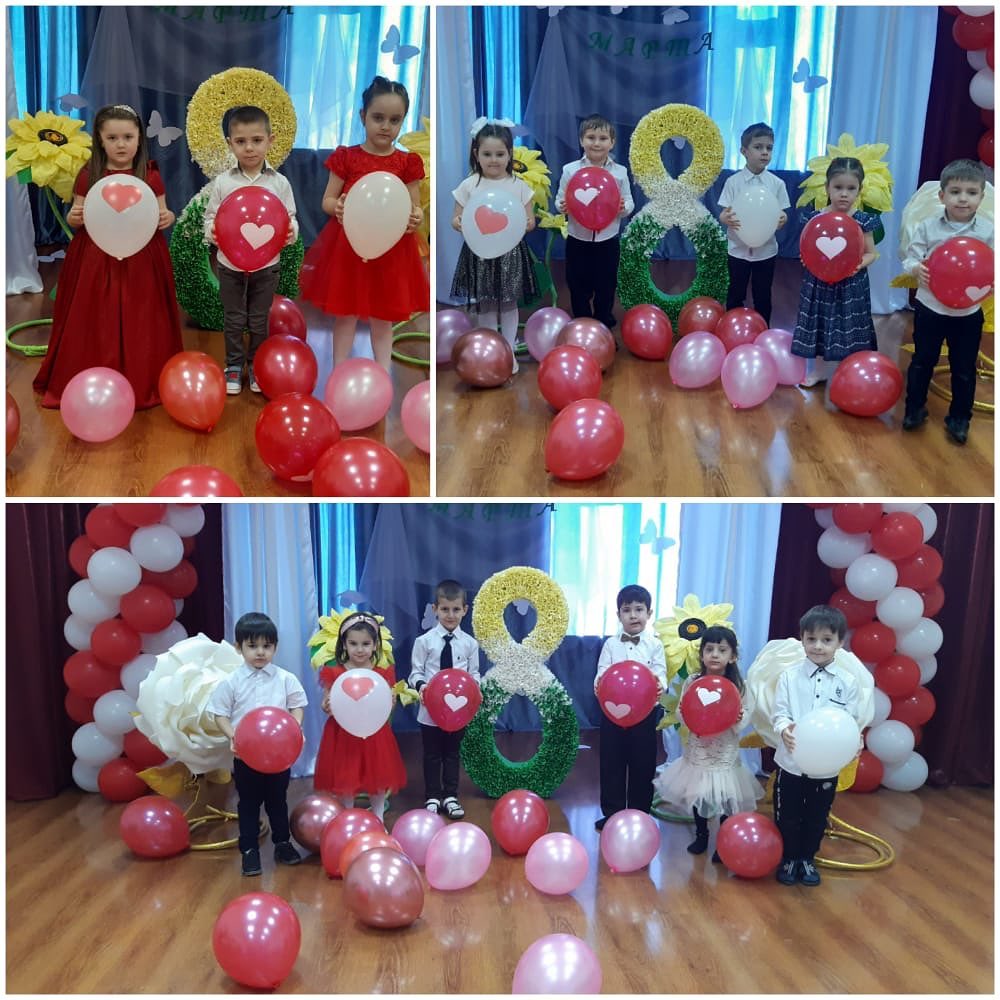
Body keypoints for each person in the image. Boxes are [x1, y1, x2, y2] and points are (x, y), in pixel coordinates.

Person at [33, 103, 183, 409]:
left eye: (128, 137)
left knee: (141, 311)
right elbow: (77, 215)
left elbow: (162, 213)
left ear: (139, 139)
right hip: (96, 255)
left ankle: (142, 375)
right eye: (112, 138)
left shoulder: (150, 175)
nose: (121, 144)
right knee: (95, 313)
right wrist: (74, 216)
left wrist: (168, 217)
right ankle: (92, 372)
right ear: (100, 140)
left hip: (142, 256)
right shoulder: (88, 175)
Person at [300, 76, 427, 371]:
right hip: (350, 247)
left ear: (403, 120)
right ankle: (339, 369)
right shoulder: (347, 157)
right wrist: (337, 207)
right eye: (378, 118)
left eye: (394, 120)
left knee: (383, 317)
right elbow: (328, 200)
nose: (386, 126)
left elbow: (415, 206)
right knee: (346, 314)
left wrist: (417, 216)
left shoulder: (407, 163)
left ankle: (382, 372)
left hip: (392, 250)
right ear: (363, 116)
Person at [203, 105, 298, 395]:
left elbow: (289, 217)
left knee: (258, 318)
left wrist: (291, 232)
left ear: (270, 140)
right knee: (233, 317)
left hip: (267, 264)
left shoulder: (279, 183)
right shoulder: (224, 182)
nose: (249, 148)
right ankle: (233, 365)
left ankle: (257, 363)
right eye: (241, 141)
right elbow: (210, 218)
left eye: (257, 140)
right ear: (230, 144)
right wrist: (212, 231)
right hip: (229, 264)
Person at [900, 158, 994, 445]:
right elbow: (909, 258)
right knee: (922, 361)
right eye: (955, 192)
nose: (963, 198)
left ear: (981, 197)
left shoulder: (988, 231)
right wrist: (916, 268)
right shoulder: (928, 227)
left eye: (971, 192)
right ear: (942, 196)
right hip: (931, 308)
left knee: (964, 368)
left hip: (968, 313)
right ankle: (915, 409)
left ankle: (959, 418)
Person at [206, 612, 308, 876]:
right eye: (252, 646)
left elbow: (297, 705)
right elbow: (219, 714)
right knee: (249, 803)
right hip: (246, 757)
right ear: (238, 647)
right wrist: (232, 735)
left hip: (278, 757)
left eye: (267, 646)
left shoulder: (285, 678)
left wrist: (294, 728)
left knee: (278, 800)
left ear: (275, 647)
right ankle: (249, 850)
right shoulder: (231, 682)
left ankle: (282, 843)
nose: (260, 652)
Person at [653, 626, 762, 862]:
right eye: (709, 649)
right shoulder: (693, 681)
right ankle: (701, 835)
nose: (714, 654)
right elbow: (682, 711)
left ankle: (724, 840)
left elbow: (746, 714)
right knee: (698, 793)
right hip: (699, 748)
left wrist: (738, 718)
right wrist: (689, 716)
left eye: (722, 650)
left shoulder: (739, 685)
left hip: (723, 751)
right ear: (701, 654)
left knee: (725, 797)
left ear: (732, 656)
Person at [771, 605, 861, 887]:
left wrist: (853, 742)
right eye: (811, 639)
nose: (818, 646)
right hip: (791, 762)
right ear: (802, 639)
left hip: (826, 767)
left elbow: (851, 720)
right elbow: (779, 713)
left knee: (817, 815)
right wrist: (784, 728)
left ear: (840, 643)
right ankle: (789, 857)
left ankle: (807, 858)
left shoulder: (848, 682)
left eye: (826, 639)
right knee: (787, 814)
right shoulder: (789, 677)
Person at [450, 120, 539, 374]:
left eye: (500, 154)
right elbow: (455, 218)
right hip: (480, 255)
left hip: (510, 255)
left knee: (509, 303)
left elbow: (529, 220)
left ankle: (508, 350)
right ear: (476, 154)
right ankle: (491, 352)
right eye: (487, 154)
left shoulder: (518, 186)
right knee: (486, 302)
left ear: (510, 154)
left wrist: (529, 223)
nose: (493, 160)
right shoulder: (470, 185)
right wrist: (459, 222)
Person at [791, 156, 879, 387]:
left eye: (851, 188)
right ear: (827, 187)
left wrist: (859, 264)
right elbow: (808, 247)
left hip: (851, 284)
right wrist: (807, 259)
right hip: (819, 283)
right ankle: (819, 371)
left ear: (859, 190)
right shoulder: (816, 218)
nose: (844, 194)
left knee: (848, 327)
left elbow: (872, 253)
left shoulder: (862, 220)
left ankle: (850, 373)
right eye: (838, 187)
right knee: (820, 323)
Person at [314, 611, 407, 822]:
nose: (359, 649)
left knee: (377, 777)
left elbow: (385, 703)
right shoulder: (334, 672)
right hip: (343, 734)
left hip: (374, 734)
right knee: (346, 777)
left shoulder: (382, 673)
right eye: (353, 643)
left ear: (375, 645)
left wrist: (390, 701)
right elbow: (326, 701)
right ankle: (348, 817)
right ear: (344, 644)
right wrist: (326, 705)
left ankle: (378, 817)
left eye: (366, 644)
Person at [593, 584, 667, 831]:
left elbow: (660, 674)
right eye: (627, 610)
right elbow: (602, 672)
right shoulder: (610, 645)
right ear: (618, 615)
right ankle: (612, 813)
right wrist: (599, 683)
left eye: (639, 609)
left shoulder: (655, 645)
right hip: (612, 714)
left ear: (649, 613)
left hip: (644, 716)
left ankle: (639, 813)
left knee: (643, 764)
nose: (633, 615)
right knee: (611, 763)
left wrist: (660, 685)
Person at [409, 579, 482, 818]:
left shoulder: (470, 644)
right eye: (445, 609)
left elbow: (474, 674)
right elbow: (415, 673)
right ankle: (432, 796)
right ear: (435, 609)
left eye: (456, 609)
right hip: (429, 711)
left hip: (458, 712)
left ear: (465, 610)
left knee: (452, 753)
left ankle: (450, 796)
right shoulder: (424, 642)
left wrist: (476, 689)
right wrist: (422, 687)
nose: (450, 615)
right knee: (432, 754)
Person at [554, 114, 634, 329]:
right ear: (581, 140)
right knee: (577, 283)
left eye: (603, 138)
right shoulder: (570, 170)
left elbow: (629, 202)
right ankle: (582, 322)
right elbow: (560, 199)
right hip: (577, 239)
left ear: (612, 142)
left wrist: (623, 208)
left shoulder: (620, 172)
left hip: (607, 240)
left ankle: (602, 321)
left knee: (606, 284)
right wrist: (562, 206)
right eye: (591, 137)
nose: (596, 143)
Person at [717, 122, 791, 325]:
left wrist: (783, 219)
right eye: (758, 147)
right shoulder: (733, 182)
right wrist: (724, 218)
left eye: (769, 148)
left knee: (763, 294)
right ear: (744, 151)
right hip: (737, 249)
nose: (765, 152)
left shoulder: (777, 184)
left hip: (766, 251)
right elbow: (724, 212)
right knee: (735, 292)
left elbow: (781, 213)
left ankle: (763, 328)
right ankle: (732, 327)